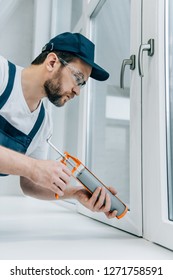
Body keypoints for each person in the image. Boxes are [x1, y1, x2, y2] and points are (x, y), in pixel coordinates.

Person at [0, 32, 117, 218]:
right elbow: (32, 171)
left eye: (82, 85)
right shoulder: (2, 74)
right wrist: (34, 167)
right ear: (52, 62)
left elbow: (29, 184)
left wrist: (75, 193)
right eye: (77, 78)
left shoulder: (42, 124)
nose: (77, 91)